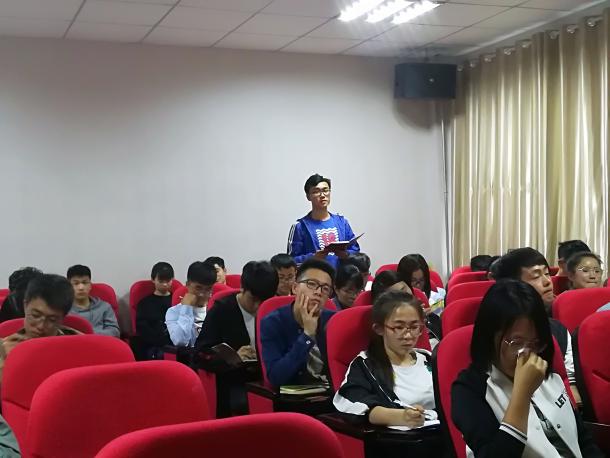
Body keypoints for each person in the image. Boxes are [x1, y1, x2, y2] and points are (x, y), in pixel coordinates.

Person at [452, 280, 602, 458]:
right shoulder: (469, 388)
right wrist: (522, 394)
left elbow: (583, 440)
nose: (528, 354)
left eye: (535, 343)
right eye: (516, 343)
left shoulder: (544, 368)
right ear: (490, 337)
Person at [493, 248, 580, 405]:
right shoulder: (500, 335)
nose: (547, 282)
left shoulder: (558, 329)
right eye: (536, 276)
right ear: (513, 286)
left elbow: (570, 382)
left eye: (547, 273)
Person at [334, 290, 435, 423]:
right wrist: (400, 416)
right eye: (399, 327)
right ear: (379, 329)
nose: (408, 335)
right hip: (401, 433)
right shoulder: (366, 364)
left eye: (414, 327)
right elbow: (350, 401)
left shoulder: (428, 358)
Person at [196, 261, 278, 417]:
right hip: (234, 381)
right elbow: (200, 354)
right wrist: (233, 357)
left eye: (264, 301)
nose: (258, 306)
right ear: (242, 287)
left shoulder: (273, 310)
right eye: (253, 299)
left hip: (267, 378)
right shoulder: (222, 310)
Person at [260, 258, 336, 387]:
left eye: (325, 288)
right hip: (294, 395)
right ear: (295, 288)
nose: (318, 292)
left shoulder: (333, 321)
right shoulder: (273, 322)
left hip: (331, 393)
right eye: (312, 284)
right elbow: (276, 378)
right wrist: (307, 336)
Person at [0, 274, 80, 383]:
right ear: (25, 305)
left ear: (63, 317)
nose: (41, 326)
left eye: (52, 320)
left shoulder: (78, 344)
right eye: (35, 315)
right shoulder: (4, 347)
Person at [288, 174, 360, 268]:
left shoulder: (342, 222)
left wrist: (346, 255)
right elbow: (291, 262)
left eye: (325, 190)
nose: (322, 195)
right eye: (316, 191)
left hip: (341, 276)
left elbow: (356, 251)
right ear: (308, 196)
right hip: (314, 275)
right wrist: (313, 257)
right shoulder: (300, 226)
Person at [165, 261, 216, 347]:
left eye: (208, 289)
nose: (202, 294)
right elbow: (181, 342)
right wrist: (186, 308)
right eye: (198, 288)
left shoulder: (215, 309)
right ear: (188, 284)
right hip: (190, 354)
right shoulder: (174, 312)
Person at [136, 262, 175, 360]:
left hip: (176, 343)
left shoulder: (177, 300)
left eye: (168, 280)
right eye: (161, 281)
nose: (165, 284)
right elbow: (142, 329)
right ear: (153, 279)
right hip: (154, 346)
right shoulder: (144, 303)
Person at [67, 265, 120, 337]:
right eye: (76, 283)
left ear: (90, 285)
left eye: (85, 282)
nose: (81, 288)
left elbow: (115, 332)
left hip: (101, 342)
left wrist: (89, 334)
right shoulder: (64, 310)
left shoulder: (104, 307)